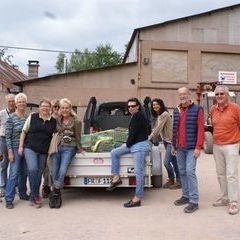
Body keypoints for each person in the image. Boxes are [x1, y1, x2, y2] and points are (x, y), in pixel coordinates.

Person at [106, 97, 150, 208]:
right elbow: (140, 131)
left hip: (139, 147)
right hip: (134, 144)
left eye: (133, 106)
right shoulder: (136, 116)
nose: (130, 108)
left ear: (138, 106)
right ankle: (116, 178)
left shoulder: (138, 116)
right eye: (129, 106)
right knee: (114, 152)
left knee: (138, 172)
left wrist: (127, 143)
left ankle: (137, 198)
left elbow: (134, 133)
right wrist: (129, 142)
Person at [19, 98, 57, 208]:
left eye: (47, 106)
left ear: (50, 108)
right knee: (32, 169)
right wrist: (21, 146)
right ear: (39, 108)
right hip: (30, 147)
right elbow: (23, 132)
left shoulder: (53, 121)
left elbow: (55, 136)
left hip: (44, 151)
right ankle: (35, 195)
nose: (45, 108)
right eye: (43, 106)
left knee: (39, 174)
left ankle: (33, 196)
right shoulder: (32, 117)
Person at [171, 87, 204, 213]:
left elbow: (201, 129)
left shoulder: (197, 109)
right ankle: (185, 196)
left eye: (185, 94)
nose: (183, 96)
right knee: (182, 171)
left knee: (190, 171)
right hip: (180, 148)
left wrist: (198, 147)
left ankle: (194, 201)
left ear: (189, 95)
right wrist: (173, 145)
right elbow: (175, 129)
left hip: (191, 148)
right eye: (180, 94)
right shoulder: (176, 110)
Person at [210, 85, 240, 215]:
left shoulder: (236, 108)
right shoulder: (212, 109)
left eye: (222, 94)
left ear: (227, 95)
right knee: (220, 174)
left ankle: (234, 202)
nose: (219, 96)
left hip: (232, 145)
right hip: (217, 146)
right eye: (217, 94)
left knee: (231, 175)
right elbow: (213, 126)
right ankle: (224, 198)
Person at [50, 98, 82, 208]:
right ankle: (57, 193)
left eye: (66, 108)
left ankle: (55, 192)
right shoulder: (57, 119)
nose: (64, 110)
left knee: (63, 169)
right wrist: (56, 111)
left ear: (70, 108)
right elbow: (50, 118)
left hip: (69, 148)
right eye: (62, 107)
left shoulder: (76, 121)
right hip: (57, 146)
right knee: (54, 170)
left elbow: (78, 136)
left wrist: (80, 149)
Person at [148, 98, 180, 189]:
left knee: (166, 162)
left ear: (161, 105)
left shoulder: (165, 114)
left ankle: (171, 179)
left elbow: (158, 129)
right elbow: (156, 128)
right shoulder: (160, 115)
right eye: (153, 105)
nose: (155, 106)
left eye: (157, 104)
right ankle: (178, 180)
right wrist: (149, 134)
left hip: (171, 141)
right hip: (166, 141)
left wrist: (150, 138)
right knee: (174, 161)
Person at [4, 93, 29, 209]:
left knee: (24, 172)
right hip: (14, 147)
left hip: (26, 148)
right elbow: (7, 136)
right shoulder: (11, 118)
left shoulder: (29, 117)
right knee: (13, 173)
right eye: (19, 102)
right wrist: (9, 151)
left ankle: (23, 193)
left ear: (26, 103)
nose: (21, 103)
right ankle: (9, 199)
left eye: (23, 101)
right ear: (15, 103)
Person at [42, 99, 60, 198]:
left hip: (56, 145)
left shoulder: (61, 117)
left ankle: (52, 187)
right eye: (55, 107)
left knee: (53, 167)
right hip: (47, 144)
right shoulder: (49, 117)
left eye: (58, 107)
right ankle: (46, 186)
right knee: (46, 167)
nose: (56, 109)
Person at [0, 94, 15, 198]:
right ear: (6, 102)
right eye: (9, 101)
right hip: (3, 140)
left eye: (13, 101)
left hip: (15, 141)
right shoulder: (1, 113)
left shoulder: (18, 113)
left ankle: (16, 186)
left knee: (15, 165)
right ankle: (2, 187)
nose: (11, 103)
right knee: (3, 164)